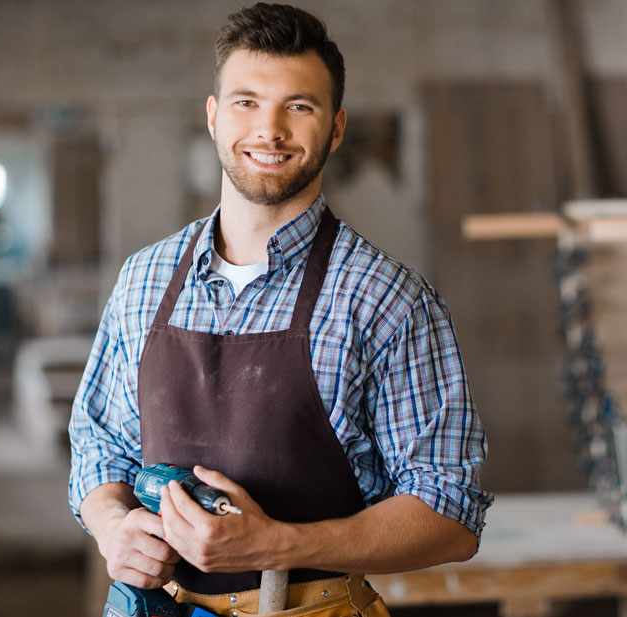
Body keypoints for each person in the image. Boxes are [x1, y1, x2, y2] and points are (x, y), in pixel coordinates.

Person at [67, 3, 492, 615]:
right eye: (246, 102)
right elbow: (100, 442)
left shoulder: (387, 300)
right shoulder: (144, 279)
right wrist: (112, 524)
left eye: (299, 106)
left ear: (336, 128)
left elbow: (450, 512)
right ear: (213, 118)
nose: (269, 130)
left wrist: (277, 545)